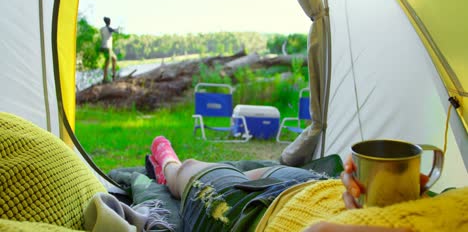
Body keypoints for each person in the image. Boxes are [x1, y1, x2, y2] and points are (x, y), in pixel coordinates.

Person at [149, 136, 468, 232]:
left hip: (260, 217)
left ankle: (168, 167)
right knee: (260, 174)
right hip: (317, 187)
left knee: (191, 170)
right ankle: (233, 176)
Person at [100, 17, 119, 82]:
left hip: (103, 47)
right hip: (108, 48)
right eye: (110, 21)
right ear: (109, 22)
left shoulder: (102, 29)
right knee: (107, 63)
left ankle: (113, 76)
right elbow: (116, 31)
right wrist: (117, 29)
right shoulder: (108, 28)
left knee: (114, 59)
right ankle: (105, 79)